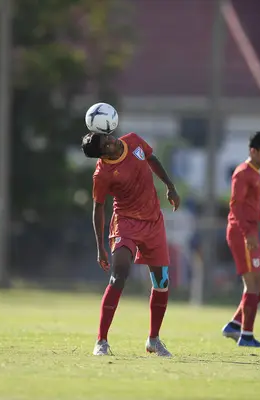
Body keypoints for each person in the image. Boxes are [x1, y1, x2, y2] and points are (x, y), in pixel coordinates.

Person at [81, 131, 181, 357]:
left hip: (153, 221)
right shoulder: (102, 173)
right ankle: (101, 341)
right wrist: (100, 247)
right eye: (105, 144)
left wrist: (170, 187)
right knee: (119, 274)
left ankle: (153, 339)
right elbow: (98, 208)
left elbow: (151, 159)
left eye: (107, 136)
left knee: (162, 281)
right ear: (101, 155)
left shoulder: (133, 140)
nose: (111, 140)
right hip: (126, 223)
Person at [221, 131, 260, 348]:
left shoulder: (256, 174)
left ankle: (236, 324)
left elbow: (252, 209)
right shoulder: (242, 173)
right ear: (253, 151)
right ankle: (246, 336)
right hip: (241, 233)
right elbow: (236, 206)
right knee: (253, 283)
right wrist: (247, 234)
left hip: (250, 233)